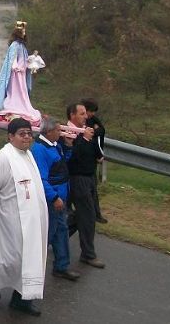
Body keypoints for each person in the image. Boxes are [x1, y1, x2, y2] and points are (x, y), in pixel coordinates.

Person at [0, 118, 48, 317]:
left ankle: (22, 299)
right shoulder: (3, 158)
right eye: (21, 134)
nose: (26, 137)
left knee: (29, 259)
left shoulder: (28, 155)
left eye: (29, 133)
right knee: (8, 259)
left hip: (31, 221)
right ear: (10, 136)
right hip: (10, 219)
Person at [31, 116, 81, 281]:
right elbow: (41, 178)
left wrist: (67, 147)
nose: (61, 133)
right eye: (58, 130)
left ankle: (61, 266)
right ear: (50, 131)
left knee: (61, 231)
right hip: (52, 200)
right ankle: (31, 268)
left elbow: (62, 165)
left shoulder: (54, 146)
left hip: (60, 197)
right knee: (49, 234)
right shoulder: (40, 149)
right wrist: (54, 197)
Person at [65, 102, 106, 269]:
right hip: (78, 178)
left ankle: (54, 238)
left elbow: (95, 149)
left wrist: (93, 142)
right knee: (88, 217)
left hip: (89, 178)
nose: (86, 116)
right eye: (82, 114)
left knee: (81, 215)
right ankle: (88, 255)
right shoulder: (68, 133)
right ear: (72, 116)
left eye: (85, 113)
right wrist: (84, 139)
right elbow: (72, 158)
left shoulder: (85, 131)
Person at [0, 21, 40, 123]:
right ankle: (13, 105)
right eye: (22, 32)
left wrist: (30, 64)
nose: (24, 33)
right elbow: (12, 59)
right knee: (15, 90)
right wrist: (15, 66)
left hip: (21, 73)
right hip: (16, 74)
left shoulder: (22, 46)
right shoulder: (15, 45)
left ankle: (21, 105)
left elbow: (24, 59)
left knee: (22, 91)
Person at [82, 98, 108, 224]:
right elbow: (90, 135)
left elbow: (101, 130)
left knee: (93, 189)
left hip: (93, 158)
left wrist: (96, 130)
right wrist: (95, 131)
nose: (92, 114)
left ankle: (96, 214)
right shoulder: (82, 121)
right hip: (85, 160)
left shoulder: (93, 120)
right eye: (90, 111)